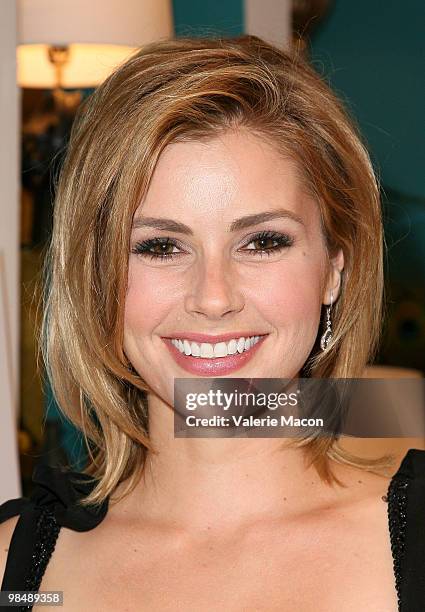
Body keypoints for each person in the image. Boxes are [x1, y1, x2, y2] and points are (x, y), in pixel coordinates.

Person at [0, 35, 423, 611]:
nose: (214, 297)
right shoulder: (19, 570)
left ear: (333, 270)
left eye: (264, 241)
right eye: (159, 247)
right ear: (94, 277)